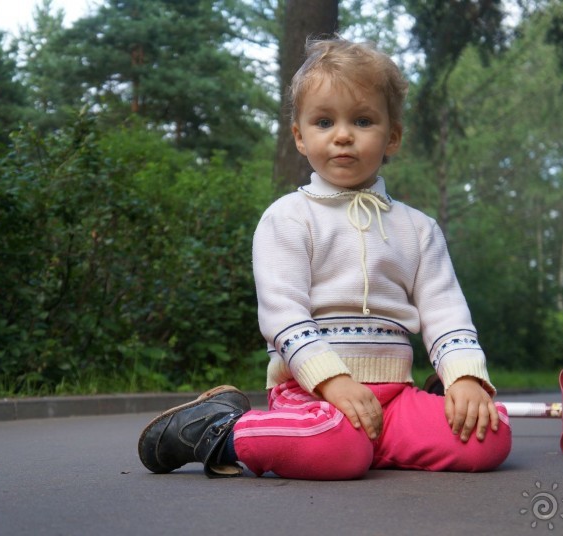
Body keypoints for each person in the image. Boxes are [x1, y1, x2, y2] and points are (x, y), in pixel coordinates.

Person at [138, 37, 512, 480]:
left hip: (393, 399)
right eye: (323, 121)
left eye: (363, 120)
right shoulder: (289, 217)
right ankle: (218, 429)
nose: (342, 135)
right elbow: (282, 315)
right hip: (312, 394)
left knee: (490, 435)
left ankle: (401, 426)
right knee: (337, 445)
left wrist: (464, 377)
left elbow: (445, 311)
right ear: (299, 136)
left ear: (391, 136)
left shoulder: (418, 228)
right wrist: (333, 381)